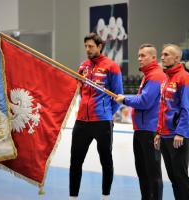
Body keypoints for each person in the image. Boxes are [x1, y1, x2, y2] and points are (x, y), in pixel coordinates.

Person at [69, 33, 123, 200]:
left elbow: (118, 96)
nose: (87, 49)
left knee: (106, 162)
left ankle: (105, 196)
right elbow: (76, 91)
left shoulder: (111, 66)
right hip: (81, 122)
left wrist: (106, 113)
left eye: (91, 46)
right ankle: (73, 197)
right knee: (75, 162)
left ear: (100, 46)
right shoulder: (83, 66)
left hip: (102, 122)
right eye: (86, 46)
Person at [115, 44, 166, 200]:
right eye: (138, 55)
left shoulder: (156, 76)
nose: (139, 59)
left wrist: (125, 99)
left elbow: (145, 101)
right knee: (143, 172)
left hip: (150, 130)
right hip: (141, 130)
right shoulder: (148, 76)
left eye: (143, 55)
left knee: (152, 173)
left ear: (153, 58)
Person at [155, 44, 189, 200]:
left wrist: (181, 132)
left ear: (177, 58)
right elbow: (162, 107)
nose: (162, 57)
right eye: (162, 54)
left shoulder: (185, 77)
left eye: (166, 54)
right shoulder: (166, 79)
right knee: (173, 178)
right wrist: (158, 131)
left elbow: (187, 108)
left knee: (181, 177)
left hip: (178, 136)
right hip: (165, 135)